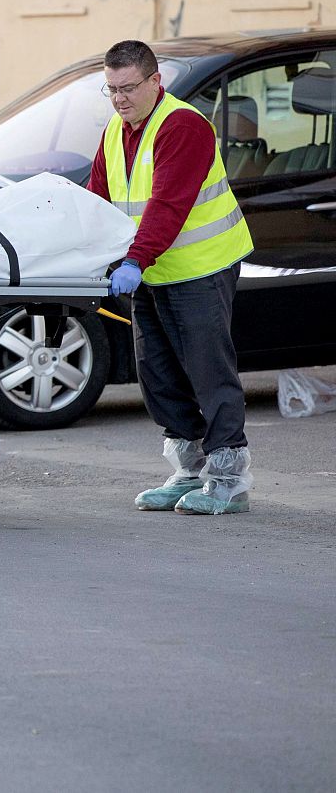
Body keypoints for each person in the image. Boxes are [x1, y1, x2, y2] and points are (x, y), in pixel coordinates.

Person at [87, 40, 255, 515]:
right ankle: (190, 471)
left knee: (207, 370)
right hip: (147, 272)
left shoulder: (183, 126)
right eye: (111, 89)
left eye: (129, 87)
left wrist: (135, 260)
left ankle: (228, 479)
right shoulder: (113, 134)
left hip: (199, 268)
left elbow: (169, 204)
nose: (120, 98)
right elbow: (97, 200)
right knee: (157, 375)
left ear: (155, 82)